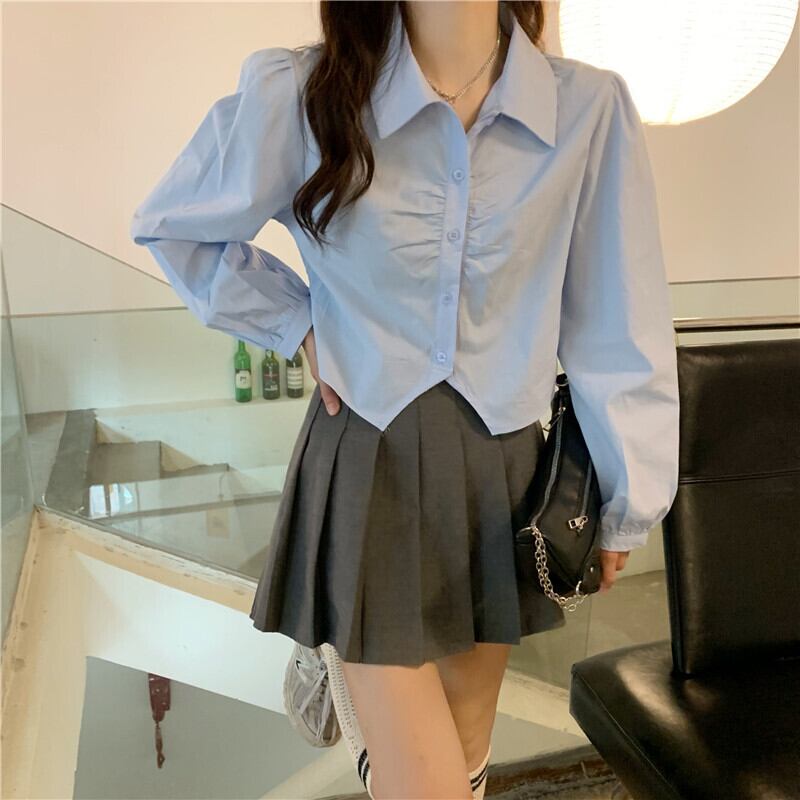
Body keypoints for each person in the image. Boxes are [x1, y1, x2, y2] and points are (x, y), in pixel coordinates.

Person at [130, 1, 680, 797]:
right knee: (431, 785)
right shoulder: (303, 94)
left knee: (465, 749)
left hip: (505, 474)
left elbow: (614, 317)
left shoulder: (586, 110)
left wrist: (630, 493)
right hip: (367, 459)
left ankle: (363, 729)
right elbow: (175, 227)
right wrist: (297, 324)